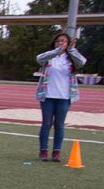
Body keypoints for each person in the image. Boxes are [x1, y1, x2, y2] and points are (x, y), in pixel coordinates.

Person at [35, 32, 86, 162]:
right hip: (47, 95)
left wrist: (71, 50)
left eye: (64, 41)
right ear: (54, 43)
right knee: (46, 124)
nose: (61, 43)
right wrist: (57, 51)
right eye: (58, 41)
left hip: (64, 96)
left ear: (68, 44)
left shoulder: (71, 58)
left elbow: (82, 62)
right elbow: (39, 58)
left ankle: (56, 152)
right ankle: (43, 151)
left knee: (59, 124)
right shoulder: (49, 57)